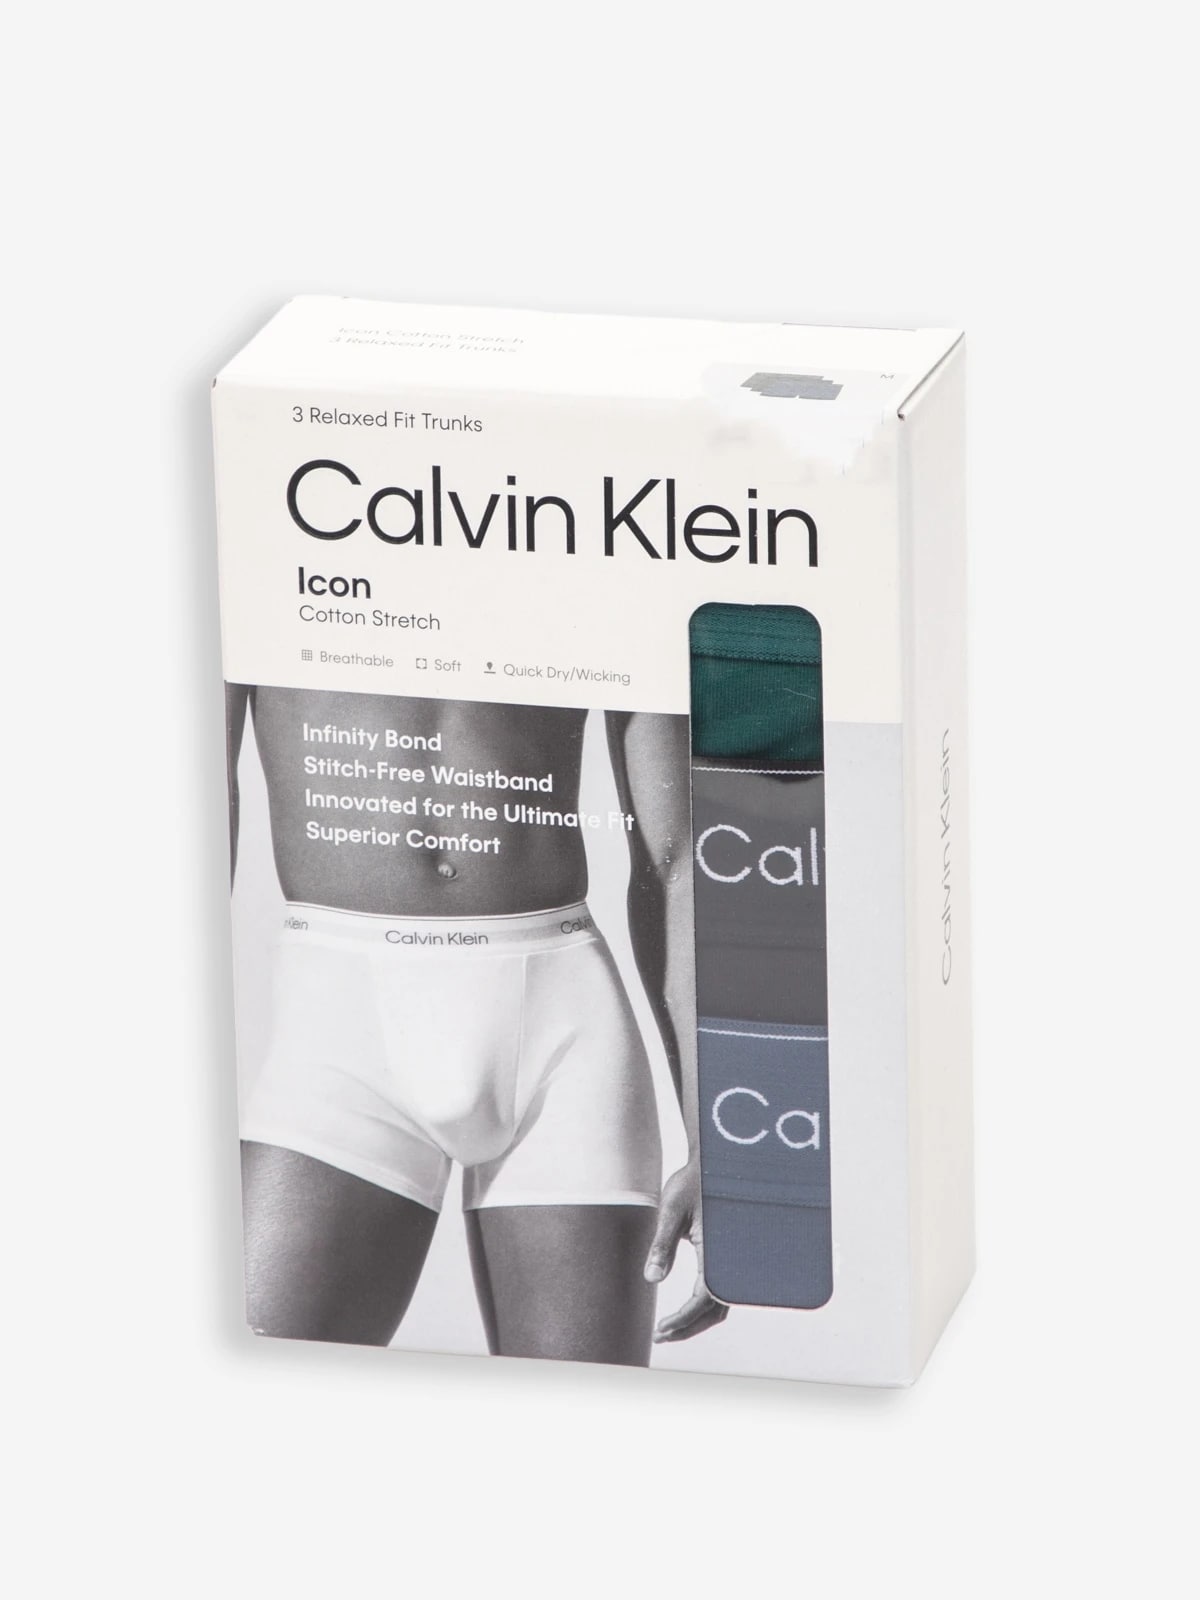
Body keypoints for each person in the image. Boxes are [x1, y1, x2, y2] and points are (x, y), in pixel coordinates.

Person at [227, 684, 728, 1363]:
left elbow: (676, 858)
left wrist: (718, 1147)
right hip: (339, 1023)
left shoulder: (607, 604)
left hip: (562, 1028)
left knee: (586, 1421)